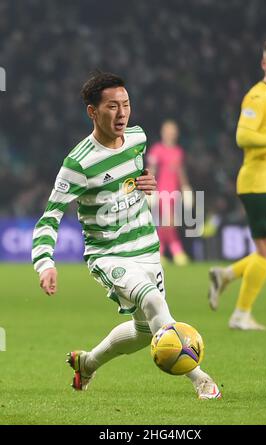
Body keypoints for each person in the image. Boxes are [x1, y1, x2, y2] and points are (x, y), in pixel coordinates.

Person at [32, 71, 221, 399]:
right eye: (111, 107)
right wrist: (44, 262)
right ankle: (201, 380)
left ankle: (87, 363)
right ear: (93, 112)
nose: (122, 114)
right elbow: (50, 217)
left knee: (143, 331)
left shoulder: (137, 138)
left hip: (146, 246)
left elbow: (133, 178)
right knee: (152, 299)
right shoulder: (78, 164)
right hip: (109, 254)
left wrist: (145, 180)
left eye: (126, 104)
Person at [208, 40, 266, 330]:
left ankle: (227, 275)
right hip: (258, 185)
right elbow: (243, 137)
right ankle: (240, 315)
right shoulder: (257, 97)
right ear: (264, 64)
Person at [147, 120, 191, 266]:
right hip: (162, 192)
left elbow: (180, 172)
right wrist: (150, 190)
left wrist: (185, 188)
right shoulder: (157, 149)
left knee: (168, 224)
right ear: (163, 133)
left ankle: (159, 252)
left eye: (173, 131)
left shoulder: (178, 151)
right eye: (168, 131)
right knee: (168, 222)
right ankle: (177, 251)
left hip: (175, 192)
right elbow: (151, 170)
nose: (171, 134)